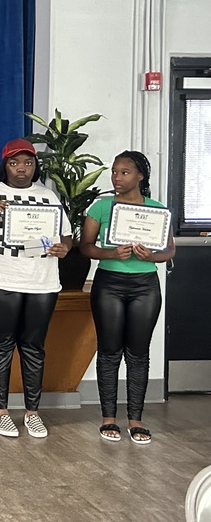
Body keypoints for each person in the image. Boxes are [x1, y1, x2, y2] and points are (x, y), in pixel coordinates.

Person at [0, 138, 72, 439]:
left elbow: (66, 235)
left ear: (35, 166)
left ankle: (33, 413)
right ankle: (1, 411)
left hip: (42, 280)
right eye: (14, 163)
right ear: (5, 166)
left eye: (28, 163)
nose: (21, 169)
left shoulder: (48, 196)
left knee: (34, 347)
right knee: (0, 345)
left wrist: (64, 247)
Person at [79, 151, 175, 445]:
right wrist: (111, 253)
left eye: (125, 173)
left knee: (138, 352)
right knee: (109, 351)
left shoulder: (157, 210)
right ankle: (109, 418)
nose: (117, 178)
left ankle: (136, 419)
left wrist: (152, 256)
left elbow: (169, 251)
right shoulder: (102, 207)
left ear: (140, 177)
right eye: (115, 172)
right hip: (109, 282)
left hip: (145, 285)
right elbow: (85, 246)